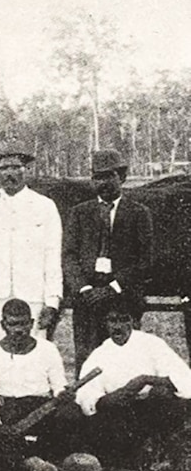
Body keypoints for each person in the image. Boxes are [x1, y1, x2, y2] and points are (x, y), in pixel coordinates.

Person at [63, 149, 153, 372]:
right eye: (97, 177)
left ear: (121, 177)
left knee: (125, 362)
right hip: (88, 301)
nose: (102, 182)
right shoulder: (79, 213)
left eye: (108, 176)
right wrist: (83, 289)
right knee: (87, 361)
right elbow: (69, 255)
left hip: (123, 300)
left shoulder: (138, 213)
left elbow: (146, 259)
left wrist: (114, 287)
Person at [0, 146, 62, 343]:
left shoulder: (44, 206)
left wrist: (52, 302)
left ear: (26, 171)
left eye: (15, 167)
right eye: (3, 169)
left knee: (33, 353)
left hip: (33, 296)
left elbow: (53, 256)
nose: (9, 173)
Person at [76, 302, 191, 468]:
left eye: (124, 320)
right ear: (105, 324)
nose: (118, 326)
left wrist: (145, 380)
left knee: (162, 395)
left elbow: (184, 378)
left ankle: (164, 456)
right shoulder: (99, 354)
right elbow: (87, 396)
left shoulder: (152, 344)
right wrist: (111, 398)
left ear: (134, 322)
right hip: (121, 413)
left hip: (152, 409)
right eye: (112, 321)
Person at [0, 299, 80, 467]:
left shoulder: (48, 349)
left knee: (71, 414)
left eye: (23, 324)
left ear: (31, 323)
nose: (18, 330)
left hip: (42, 408)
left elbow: (58, 385)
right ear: (3, 325)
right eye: (13, 324)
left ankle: (54, 462)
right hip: (8, 411)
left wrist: (63, 394)